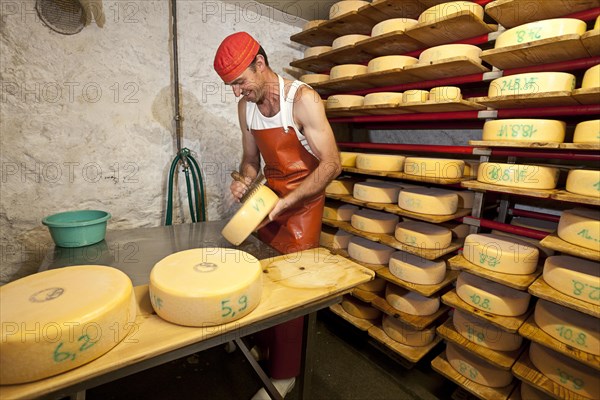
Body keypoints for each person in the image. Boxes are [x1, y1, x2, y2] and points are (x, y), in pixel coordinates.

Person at [213, 32, 341, 399]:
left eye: (239, 82)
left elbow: (332, 164)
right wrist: (243, 181)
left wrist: (289, 202)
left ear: (260, 63)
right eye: (230, 86)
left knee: (293, 288)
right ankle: (267, 346)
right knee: (264, 275)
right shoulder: (246, 108)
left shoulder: (303, 100)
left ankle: (284, 375)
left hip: (305, 201)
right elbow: (251, 161)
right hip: (270, 198)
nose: (236, 92)